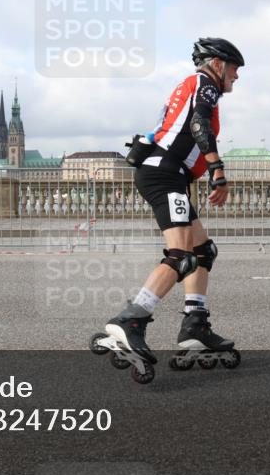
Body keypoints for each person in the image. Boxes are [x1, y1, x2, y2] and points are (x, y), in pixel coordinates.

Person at [103, 37, 244, 365]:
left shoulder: (193, 84)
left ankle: (194, 324)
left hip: (169, 174)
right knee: (180, 255)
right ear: (218, 64)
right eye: (235, 68)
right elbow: (199, 124)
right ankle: (131, 319)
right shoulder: (204, 83)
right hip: (163, 173)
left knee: (202, 252)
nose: (237, 76)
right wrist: (217, 169)